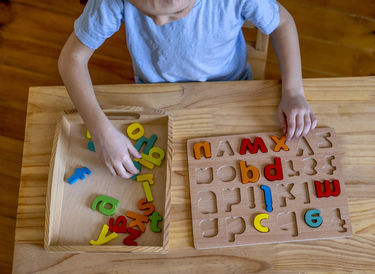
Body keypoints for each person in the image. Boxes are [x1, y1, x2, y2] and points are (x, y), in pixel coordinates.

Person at [58, 0, 317, 179]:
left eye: (175, 12)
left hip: (231, 87)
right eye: (146, 12)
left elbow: (282, 24)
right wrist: (100, 131)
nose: (159, 23)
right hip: (156, 96)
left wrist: (293, 92)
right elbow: (71, 60)